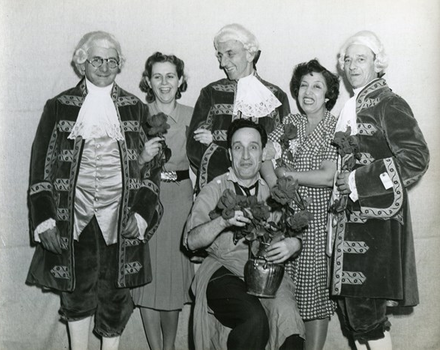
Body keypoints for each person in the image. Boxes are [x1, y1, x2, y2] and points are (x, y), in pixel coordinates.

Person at [25, 31, 164, 350]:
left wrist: (141, 214)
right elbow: (40, 168)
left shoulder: (135, 108)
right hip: (71, 217)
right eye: (96, 59)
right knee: (77, 291)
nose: (104, 66)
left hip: (121, 216)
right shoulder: (59, 106)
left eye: (111, 60)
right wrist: (45, 220)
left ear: (119, 65)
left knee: (116, 293)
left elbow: (153, 168)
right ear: (81, 62)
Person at [331, 31, 429, 349]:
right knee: (357, 321)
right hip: (349, 230)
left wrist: (360, 181)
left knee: (368, 321)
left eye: (362, 58)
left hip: (376, 232)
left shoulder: (389, 102)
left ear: (377, 62)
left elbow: (415, 159)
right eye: (349, 59)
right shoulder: (351, 105)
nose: (353, 65)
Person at [184, 119, 305, 350]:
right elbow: (191, 240)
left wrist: (294, 244)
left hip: (264, 275)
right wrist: (222, 221)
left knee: (289, 322)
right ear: (230, 154)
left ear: (262, 153)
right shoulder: (215, 188)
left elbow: (295, 231)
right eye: (238, 147)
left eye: (253, 147)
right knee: (254, 319)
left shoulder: (274, 193)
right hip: (221, 271)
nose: (246, 156)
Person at [261, 59, 340, 350]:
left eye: (317, 86)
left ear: (329, 95)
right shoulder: (290, 123)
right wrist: (275, 187)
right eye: (304, 85)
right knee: (285, 296)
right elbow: (265, 157)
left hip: (318, 224)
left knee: (315, 297)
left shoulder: (335, 126)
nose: (309, 91)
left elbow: (328, 176)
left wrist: (288, 175)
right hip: (285, 221)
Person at [131, 52, 194, 350]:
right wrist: (142, 157)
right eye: (158, 76)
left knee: (172, 274)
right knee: (149, 272)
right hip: (146, 199)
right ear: (148, 81)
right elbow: (122, 168)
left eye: (171, 76)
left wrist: (208, 143)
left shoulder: (193, 115)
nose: (164, 82)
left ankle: (169, 347)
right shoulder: (136, 115)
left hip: (181, 199)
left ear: (180, 80)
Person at [186, 23, 290, 193]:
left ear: (250, 54)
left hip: (262, 193)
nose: (223, 63)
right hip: (219, 188)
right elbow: (194, 148)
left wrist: (217, 143)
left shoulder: (277, 96)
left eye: (230, 54)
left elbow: (287, 147)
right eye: (220, 55)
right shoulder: (211, 93)